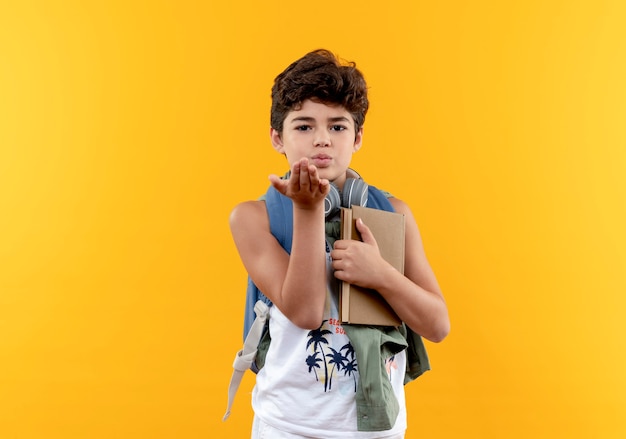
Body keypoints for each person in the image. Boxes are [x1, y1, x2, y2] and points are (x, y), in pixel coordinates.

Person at [229, 49, 449, 439]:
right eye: (303, 127)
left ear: (358, 137)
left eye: (337, 127)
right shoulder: (254, 217)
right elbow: (306, 312)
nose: (321, 140)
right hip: (289, 426)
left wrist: (382, 275)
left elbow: (437, 325)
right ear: (277, 138)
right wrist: (309, 210)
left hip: (378, 428)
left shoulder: (393, 212)